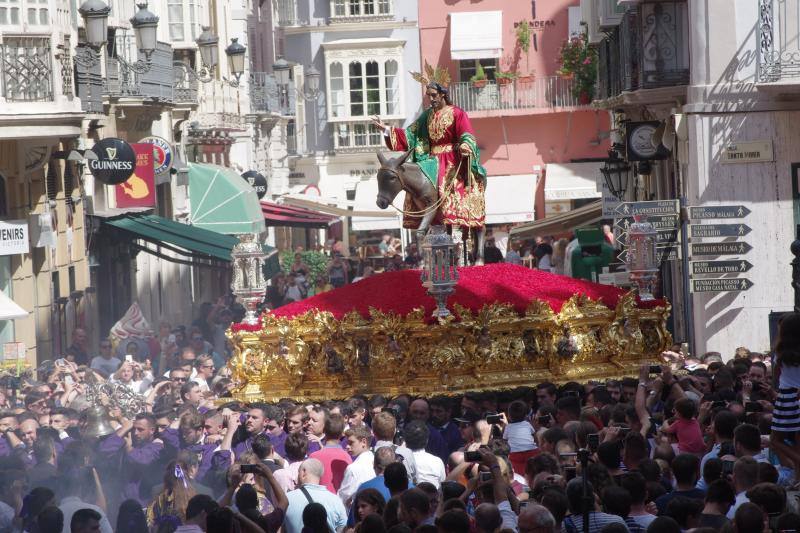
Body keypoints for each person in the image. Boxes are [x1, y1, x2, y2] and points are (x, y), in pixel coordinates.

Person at [372, 80, 486, 233]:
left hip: (451, 157)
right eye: (428, 96)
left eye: (433, 95)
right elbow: (410, 134)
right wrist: (386, 129)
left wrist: (465, 144)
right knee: (413, 181)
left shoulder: (457, 113)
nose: (431, 99)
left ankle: (460, 211)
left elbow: (466, 133)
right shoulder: (427, 115)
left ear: (442, 94)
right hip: (431, 160)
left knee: (452, 185)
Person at [283, 458, 347, 533]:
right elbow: (342, 528)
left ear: (304, 472)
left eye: (298, 472)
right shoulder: (336, 500)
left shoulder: (287, 499)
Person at [310, 413, 352, 493]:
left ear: (324, 430)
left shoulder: (314, 456)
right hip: (338, 502)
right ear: (342, 433)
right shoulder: (347, 457)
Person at [338, 426, 376, 508]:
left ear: (363, 442)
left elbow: (342, 498)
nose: (347, 446)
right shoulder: (375, 461)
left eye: (351, 443)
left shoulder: (353, 468)